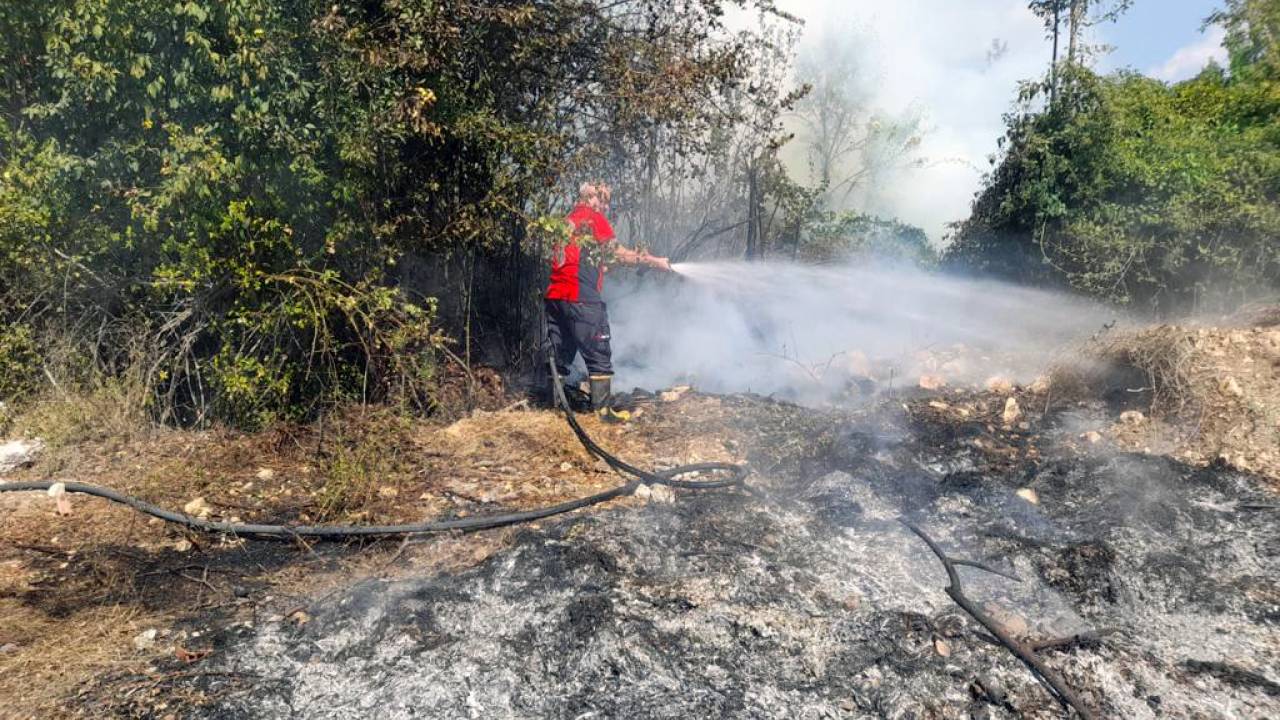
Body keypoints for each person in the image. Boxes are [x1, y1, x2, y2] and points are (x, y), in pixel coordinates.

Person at [545, 182, 671, 418]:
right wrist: (654, 261)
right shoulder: (592, 218)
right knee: (599, 351)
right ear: (591, 198)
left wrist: (636, 264)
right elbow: (616, 251)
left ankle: (556, 409)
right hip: (581, 298)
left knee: (560, 355)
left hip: (555, 298)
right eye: (603, 199)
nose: (605, 205)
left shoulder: (568, 221)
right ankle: (603, 413)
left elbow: (588, 262)